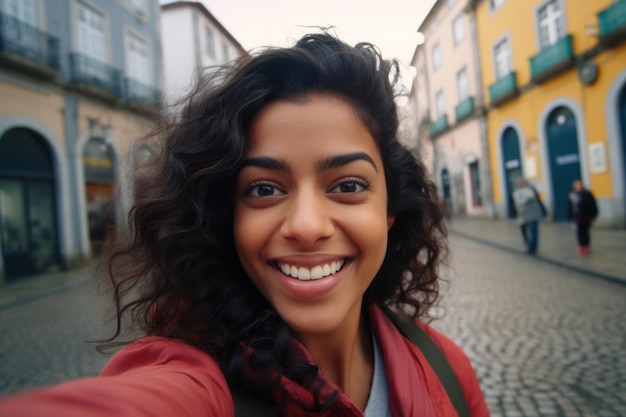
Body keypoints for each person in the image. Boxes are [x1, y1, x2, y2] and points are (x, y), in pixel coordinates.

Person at [0, 33, 489, 417]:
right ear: (225, 218)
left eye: (346, 185)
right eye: (263, 189)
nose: (306, 226)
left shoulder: (446, 368)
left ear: (389, 209)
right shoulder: (196, 383)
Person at [512, 178, 544, 254]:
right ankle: (528, 244)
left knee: (533, 230)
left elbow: (531, 197)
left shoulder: (530, 190)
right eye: (520, 183)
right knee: (524, 230)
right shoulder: (517, 192)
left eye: (523, 183)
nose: (521, 184)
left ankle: (532, 247)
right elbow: (518, 201)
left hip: (532, 214)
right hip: (522, 215)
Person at [568, 179, 598, 255]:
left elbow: (592, 205)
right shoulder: (572, 195)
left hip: (585, 216)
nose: (577, 186)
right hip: (576, 217)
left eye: (578, 184)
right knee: (579, 232)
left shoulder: (587, 194)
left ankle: (586, 246)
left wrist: (593, 215)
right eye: (575, 185)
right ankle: (581, 246)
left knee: (585, 231)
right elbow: (570, 206)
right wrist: (570, 215)